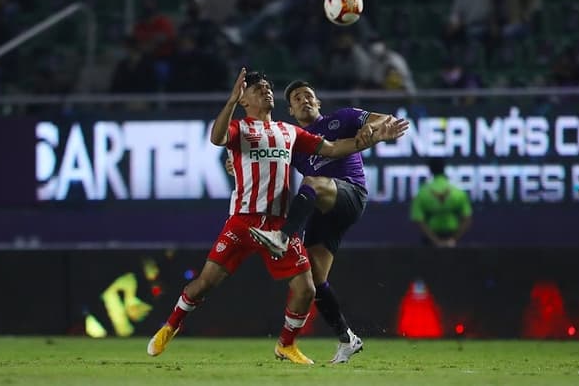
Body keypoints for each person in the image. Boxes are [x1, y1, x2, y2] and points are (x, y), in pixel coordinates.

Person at [147, 69, 408, 364]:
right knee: (209, 283)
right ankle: (170, 326)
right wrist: (230, 102)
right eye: (258, 89)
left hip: (282, 223)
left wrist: (372, 139)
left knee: (306, 279)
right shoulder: (242, 129)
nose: (266, 91)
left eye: (268, 87)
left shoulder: (290, 133)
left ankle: (286, 344)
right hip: (243, 221)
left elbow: (335, 148)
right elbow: (218, 138)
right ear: (244, 100)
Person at [233, 80, 404, 363]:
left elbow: (383, 119)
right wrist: (236, 162)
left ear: (318, 103)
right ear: (290, 109)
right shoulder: (293, 139)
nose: (304, 100)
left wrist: (378, 129)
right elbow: (264, 158)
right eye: (297, 98)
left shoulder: (344, 118)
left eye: (308, 95)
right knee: (314, 279)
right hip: (323, 208)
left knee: (312, 181)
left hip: (349, 193)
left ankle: (283, 236)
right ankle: (347, 339)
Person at [410, 157, 472, 248]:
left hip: (430, 242)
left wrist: (436, 241)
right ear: (444, 169)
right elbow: (467, 218)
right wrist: (453, 240)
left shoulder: (422, 193)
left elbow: (419, 220)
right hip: (452, 240)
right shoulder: (458, 192)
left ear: (430, 170)